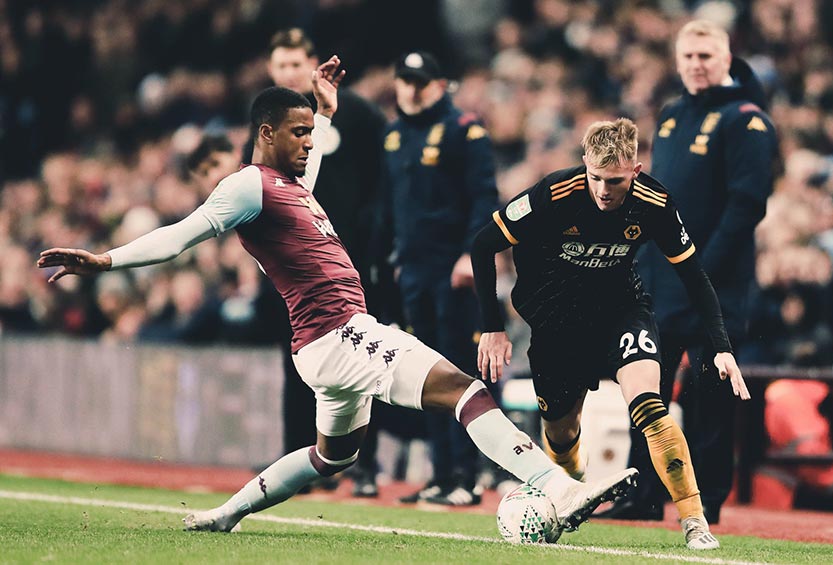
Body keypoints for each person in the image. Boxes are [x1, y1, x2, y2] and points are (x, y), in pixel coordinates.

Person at [37, 56, 636, 535]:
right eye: (297, 134)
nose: (308, 143)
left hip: (321, 347)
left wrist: (323, 111)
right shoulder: (247, 184)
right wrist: (105, 260)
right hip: (339, 332)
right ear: (265, 134)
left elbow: (311, 162)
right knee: (465, 390)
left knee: (333, 458)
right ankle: (561, 488)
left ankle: (229, 512)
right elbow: (182, 233)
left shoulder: (287, 185)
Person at [471, 118, 750, 550]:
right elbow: (483, 243)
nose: (604, 190)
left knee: (650, 405)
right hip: (555, 321)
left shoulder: (655, 202)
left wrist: (721, 348)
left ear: (635, 170)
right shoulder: (554, 192)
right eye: (596, 178)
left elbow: (695, 276)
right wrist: (492, 327)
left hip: (621, 310)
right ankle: (571, 487)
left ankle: (695, 522)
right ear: (584, 164)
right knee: (561, 434)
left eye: (615, 180)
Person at [608, 19, 778, 524]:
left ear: (727, 58)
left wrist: (700, 266)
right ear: (678, 61)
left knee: (708, 395)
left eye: (706, 55)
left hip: (714, 285)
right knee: (645, 388)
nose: (696, 65)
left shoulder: (746, 120)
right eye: (688, 56)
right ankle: (642, 493)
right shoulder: (672, 115)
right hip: (660, 281)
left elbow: (748, 205)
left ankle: (704, 502)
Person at [253, 29, 390, 497]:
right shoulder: (266, 123)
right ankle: (300, 462)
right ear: (272, 71)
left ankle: (365, 465)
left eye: (297, 64)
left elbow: (384, 184)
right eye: (282, 65)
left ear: (312, 63)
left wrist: (375, 244)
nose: (289, 73)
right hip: (291, 270)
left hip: (349, 262)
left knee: (366, 361)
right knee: (297, 363)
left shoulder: (361, 116)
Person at [382, 51, 501, 506]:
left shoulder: (463, 130)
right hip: (412, 270)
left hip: (452, 270)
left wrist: (472, 257)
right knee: (422, 376)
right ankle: (440, 473)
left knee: (459, 371)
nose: (412, 89)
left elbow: (483, 197)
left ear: (440, 84)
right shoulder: (393, 136)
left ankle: (468, 476)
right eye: (405, 80)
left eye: (421, 81)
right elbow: (390, 208)